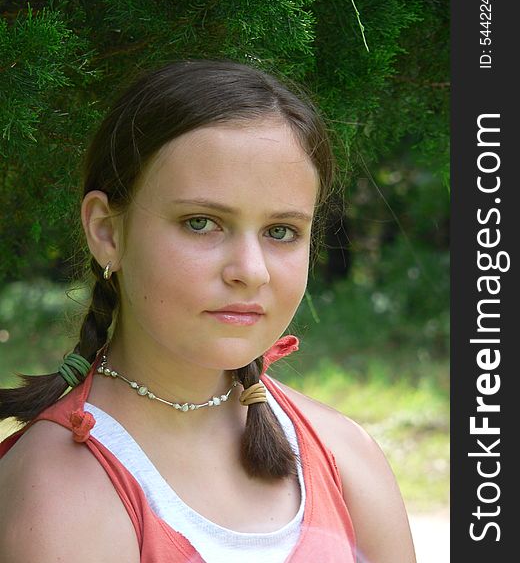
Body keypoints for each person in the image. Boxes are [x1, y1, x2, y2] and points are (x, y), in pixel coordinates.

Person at [0, 60, 416, 562]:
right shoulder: (61, 491)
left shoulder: (341, 453)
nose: (251, 270)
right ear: (108, 232)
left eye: (281, 231)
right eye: (202, 223)